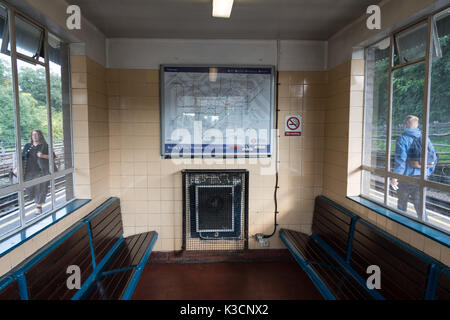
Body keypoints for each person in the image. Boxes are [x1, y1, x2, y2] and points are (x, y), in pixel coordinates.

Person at [390, 115, 437, 220]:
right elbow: (434, 158)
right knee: (420, 207)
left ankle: (400, 229)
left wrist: (394, 178)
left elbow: (401, 162)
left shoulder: (402, 139)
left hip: (406, 179)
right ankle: (426, 230)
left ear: (405, 125)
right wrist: (427, 172)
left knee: (402, 206)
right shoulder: (425, 138)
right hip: (421, 178)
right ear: (417, 126)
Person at [13, 130, 51, 214]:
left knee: (40, 188)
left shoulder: (45, 146)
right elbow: (22, 158)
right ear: (31, 136)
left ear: (40, 136)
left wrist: (43, 156)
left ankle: (38, 206)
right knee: (29, 188)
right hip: (28, 171)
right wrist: (17, 168)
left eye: (37, 134)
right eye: (33, 134)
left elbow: (53, 157)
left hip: (40, 171)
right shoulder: (27, 146)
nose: (35, 136)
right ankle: (35, 199)